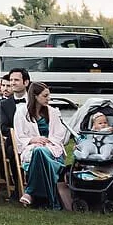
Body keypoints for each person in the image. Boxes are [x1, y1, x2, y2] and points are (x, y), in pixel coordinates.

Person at [14, 81, 73, 209]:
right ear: (35, 96)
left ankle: (30, 193)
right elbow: (19, 137)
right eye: (45, 96)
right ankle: (49, 200)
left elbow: (60, 135)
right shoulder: (21, 112)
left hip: (51, 147)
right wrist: (33, 139)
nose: (48, 99)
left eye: (48, 95)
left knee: (41, 152)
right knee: (38, 152)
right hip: (32, 147)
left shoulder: (53, 112)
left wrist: (48, 141)